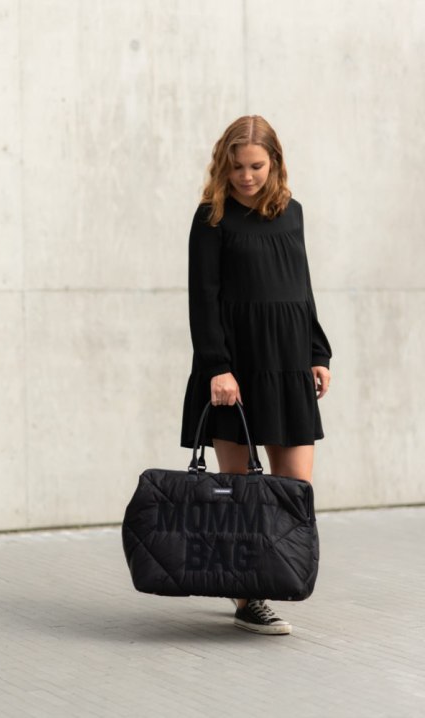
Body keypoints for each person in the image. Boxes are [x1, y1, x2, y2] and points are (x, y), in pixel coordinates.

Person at [180, 115, 332, 635]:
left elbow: (302, 287)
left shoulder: (293, 213)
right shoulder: (212, 218)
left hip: (287, 362)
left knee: (295, 488)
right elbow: (203, 299)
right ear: (223, 166)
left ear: (275, 164)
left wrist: (317, 352)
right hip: (236, 367)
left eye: (256, 166)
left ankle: (269, 576)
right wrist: (218, 368)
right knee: (240, 492)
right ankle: (249, 598)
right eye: (237, 167)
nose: (246, 176)